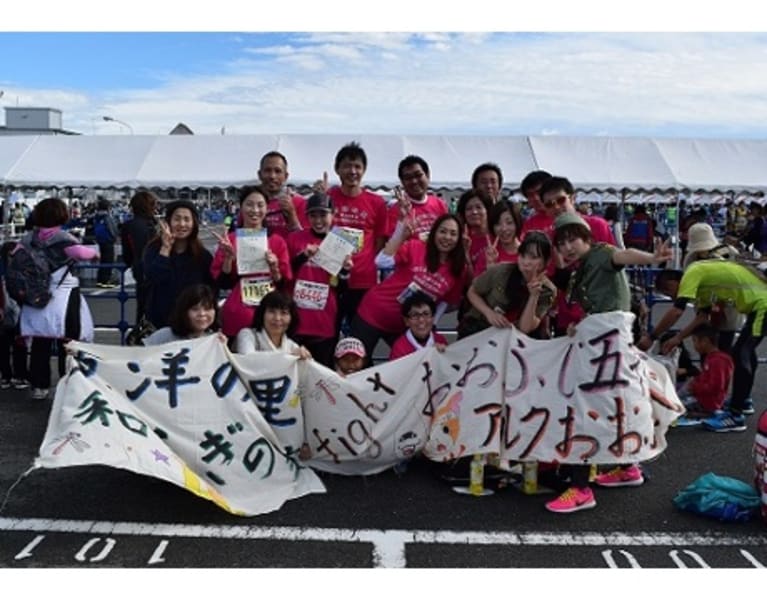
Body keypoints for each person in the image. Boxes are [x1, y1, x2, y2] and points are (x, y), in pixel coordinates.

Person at [545, 211, 672, 513]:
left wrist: (653, 258)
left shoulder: (602, 254)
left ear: (587, 237)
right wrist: (583, 324)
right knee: (617, 406)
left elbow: (622, 256)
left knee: (582, 410)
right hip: (609, 346)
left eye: (573, 238)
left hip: (608, 349)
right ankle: (628, 467)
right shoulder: (580, 270)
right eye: (562, 243)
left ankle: (580, 488)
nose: (568, 247)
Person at [652, 261, 767, 432]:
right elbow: (702, 317)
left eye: (668, 291)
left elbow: (677, 311)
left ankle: (736, 415)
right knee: (746, 352)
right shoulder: (704, 285)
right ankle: (741, 402)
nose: (672, 297)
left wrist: (651, 336)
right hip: (757, 305)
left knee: (742, 353)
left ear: (673, 282)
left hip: (762, 304)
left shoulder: (693, 272)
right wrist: (677, 338)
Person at [350, 213, 469, 361]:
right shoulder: (417, 247)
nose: (447, 237)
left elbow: (445, 302)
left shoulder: (458, 270)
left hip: (404, 326)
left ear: (459, 239)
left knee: (412, 366)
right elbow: (381, 262)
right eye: (442, 231)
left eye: (453, 234)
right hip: (373, 313)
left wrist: (429, 325)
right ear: (434, 233)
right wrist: (400, 235)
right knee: (356, 365)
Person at [17, 198, 99, 400]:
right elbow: (83, 253)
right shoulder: (63, 238)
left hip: (36, 297)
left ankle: (39, 386)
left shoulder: (27, 239)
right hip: (63, 295)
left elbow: (15, 257)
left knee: (40, 342)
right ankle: (69, 382)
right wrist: (95, 254)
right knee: (68, 341)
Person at [319, 142, 388, 333]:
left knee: (359, 337)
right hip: (329, 277)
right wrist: (320, 197)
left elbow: (380, 241)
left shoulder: (377, 203)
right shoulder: (327, 197)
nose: (353, 171)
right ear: (337, 169)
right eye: (347, 166)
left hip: (363, 281)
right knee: (328, 334)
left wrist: (365, 263)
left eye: (357, 166)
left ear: (364, 170)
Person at [210, 185, 291, 340]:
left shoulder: (277, 241)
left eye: (260, 205)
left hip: (271, 314)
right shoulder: (231, 239)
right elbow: (223, 282)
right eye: (249, 204)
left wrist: (274, 268)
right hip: (238, 313)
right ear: (240, 207)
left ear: (267, 208)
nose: (255, 210)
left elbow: (284, 283)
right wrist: (228, 258)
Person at [287, 192, 352, 368]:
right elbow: (285, 275)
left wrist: (345, 271)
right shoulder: (295, 238)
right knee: (295, 373)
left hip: (325, 321)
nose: (318, 221)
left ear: (333, 215)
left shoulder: (340, 242)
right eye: (313, 216)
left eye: (323, 215)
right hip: (296, 321)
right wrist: (302, 257)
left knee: (322, 375)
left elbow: (341, 287)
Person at [459, 231, 555, 339]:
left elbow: (525, 328)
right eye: (523, 255)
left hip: (513, 339)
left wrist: (533, 296)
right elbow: (472, 291)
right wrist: (489, 313)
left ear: (546, 261)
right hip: (481, 329)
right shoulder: (501, 271)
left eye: (534, 257)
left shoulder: (548, 290)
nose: (526, 262)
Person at [143, 200, 216, 329]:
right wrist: (165, 248)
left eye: (187, 219)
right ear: (168, 222)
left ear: (194, 223)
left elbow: (211, 290)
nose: (182, 224)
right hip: (161, 322)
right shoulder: (153, 249)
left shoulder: (202, 256)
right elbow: (153, 278)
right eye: (177, 219)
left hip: (193, 325)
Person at [674, 323, 734, 424]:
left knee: (674, 408)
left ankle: (704, 413)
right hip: (703, 397)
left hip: (709, 402)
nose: (694, 345)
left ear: (705, 341)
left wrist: (695, 387)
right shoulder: (711, 358)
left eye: (695, 341)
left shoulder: (718, 360)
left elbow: (716, 386)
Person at [235, 290, 310, 359]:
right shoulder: (247, 335)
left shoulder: (292, 346)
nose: (277, 318)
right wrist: (288, 356)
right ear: (262, 314)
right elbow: (248, 359)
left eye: (284, 313)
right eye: (271, 312)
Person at [386, 155, 447, 240]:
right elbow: (392, 244)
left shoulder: (440, 204)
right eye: (408, 178)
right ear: (402, 182)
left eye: (418, 175)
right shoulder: (396, 211)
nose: (414, 181)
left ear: (428, 175)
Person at [120, 190, 159, 325]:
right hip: (157, 266)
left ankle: (141, 333)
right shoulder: (154, 225)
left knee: (142, 305)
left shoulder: (128, 226)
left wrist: (130, 263)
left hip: (138, 268)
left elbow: (127, 252)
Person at [143, 284, 221, 345]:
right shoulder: (164, 335)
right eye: (195, 309)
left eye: (207, 309)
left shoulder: (215, 340)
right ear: (184, 311)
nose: (202, 314)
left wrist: (222, 348)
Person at [257, 151, 309, 240]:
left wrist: (292, 217)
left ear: (286, 176)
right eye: (267, 170)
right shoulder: (250, 203)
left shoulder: (299, 202)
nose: (272, 176)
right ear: (259, 174)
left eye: (278, 171)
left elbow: (307, 241)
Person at [0, 241, 28, 390]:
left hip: (4, 310)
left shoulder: (3, 270)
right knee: (19, 344)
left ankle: (6, 376)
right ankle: (20, 375)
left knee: (4, 345)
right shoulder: (21, 269)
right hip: (18, 309)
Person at [389, 292, 448, 361]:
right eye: (414, 315)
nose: (421, 320)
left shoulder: (440, 340)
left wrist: (444, 356)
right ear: (406, 321)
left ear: (433, 318)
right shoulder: (399, 349)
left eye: (426, 314)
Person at [474, 200, 523, 275]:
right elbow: (476, 285)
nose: (504, 228)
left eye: (509, 222)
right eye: (498, 224)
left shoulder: (527, 252)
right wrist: (489, 270)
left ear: (517, 223)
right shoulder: (487, 255)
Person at [455, 189, 493, 273]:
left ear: (487, 210)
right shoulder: (460, 238)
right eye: (469, 209)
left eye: (479, 207)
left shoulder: (497, 235)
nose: (474, 212)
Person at [93, 197, 120, 287]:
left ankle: (100, 280)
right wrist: (115, 237)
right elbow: (112, 229)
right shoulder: (107, 217)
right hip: (108, 241)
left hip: (100, 241)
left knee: (103, 260)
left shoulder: (96, 216)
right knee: (109, 260)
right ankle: (106, 280)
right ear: (108, 207)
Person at [519, 170, 553, 237]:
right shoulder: (529, 225)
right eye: (530, 195)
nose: (536, 198)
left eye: (539, 192)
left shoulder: (570, 217)